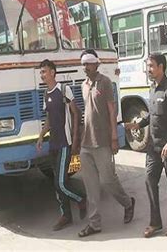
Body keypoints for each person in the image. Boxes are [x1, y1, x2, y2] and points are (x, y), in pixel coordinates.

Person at [125, 53, 167, 238]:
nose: (148, 69)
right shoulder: (152, 88)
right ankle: (155, 222)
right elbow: (152, 116)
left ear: (161, 67)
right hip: (153, 146)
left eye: (151, 66)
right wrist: (139, 125)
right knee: (150, 180)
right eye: (147, 66)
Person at [77, 49, 135, 238]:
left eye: (88, 63)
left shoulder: (106, 82)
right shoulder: (84, 85)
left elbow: (112, 111)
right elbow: (86, 112)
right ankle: (94, 224)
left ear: (97, 64)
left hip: (102, 141)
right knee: (91, 186)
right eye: (83, 64)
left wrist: (113, 138)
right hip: (86, 143)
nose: (85, 67)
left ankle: (127, 203)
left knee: (108, 181)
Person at [36, 59, 87, 231]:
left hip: (65, 143)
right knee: (57, 183)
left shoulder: (64, 90)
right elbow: (49, 119)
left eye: (44, 71)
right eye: (41, 72)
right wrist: (41, 136)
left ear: (52, 72)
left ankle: (81, 199)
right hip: (53, 144)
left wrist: (75, 140)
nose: (42, 75)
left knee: (61, 184)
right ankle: (66, 215)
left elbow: (76, 113)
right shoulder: (46, 94)